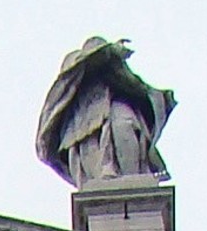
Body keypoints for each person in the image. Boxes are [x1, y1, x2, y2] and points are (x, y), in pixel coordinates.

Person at [35, 37, 174, 187]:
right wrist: (111, 51)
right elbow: (90, 59)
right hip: (82, 122)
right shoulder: (75, 61)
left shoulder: (117, 86)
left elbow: (135, 84)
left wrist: (159, 97)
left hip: (115, 111)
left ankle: (132, 177)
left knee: (125, 126)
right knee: (93, 157)